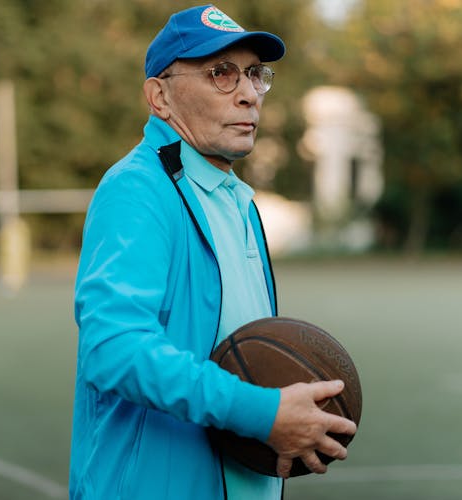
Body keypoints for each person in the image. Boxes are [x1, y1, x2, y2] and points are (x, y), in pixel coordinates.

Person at [70, 5, 357, 499]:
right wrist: (260, 412)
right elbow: (112, 348)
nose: (248, 93)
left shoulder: (237, 201)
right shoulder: (138, 190)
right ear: (160, 97)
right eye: (220, 74)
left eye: (254, 74)